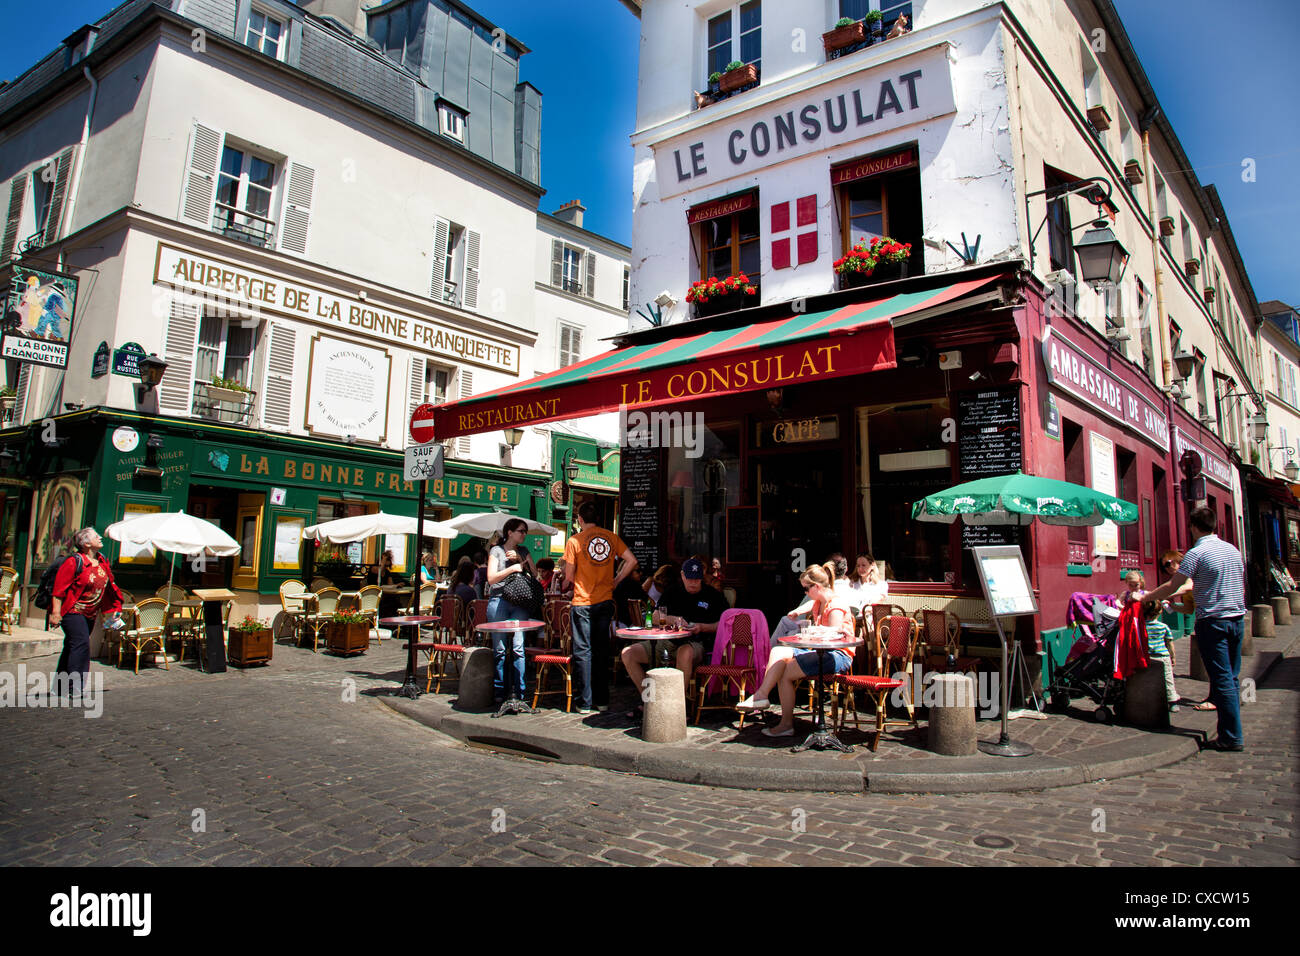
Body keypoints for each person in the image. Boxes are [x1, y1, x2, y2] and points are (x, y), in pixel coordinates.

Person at [1143, 507, 1246, 751]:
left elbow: (1172, 585)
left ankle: (1231, 736)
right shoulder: (1233, 550)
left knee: (1221, 679)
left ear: (1193, 527)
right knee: (1231, 677)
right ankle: (1231, 729)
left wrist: (1145, 597)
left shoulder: (1196, 553)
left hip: (1213, 621)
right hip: (1237, 619)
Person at [736, 562, 855, 737]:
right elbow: (808, 606)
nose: (805, 593)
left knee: (785, 673)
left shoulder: (835, 606)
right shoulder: (819, 601)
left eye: (806, 589)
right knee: (778, 651)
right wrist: (796, 612)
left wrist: (810, 633)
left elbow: (834, 636)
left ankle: (783, 721)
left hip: (837, 655)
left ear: (816, 586)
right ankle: (763, 697)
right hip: (819, 652)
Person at [620, 558, 727, 713]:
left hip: (696, 643)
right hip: (667, 641)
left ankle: (676, 708)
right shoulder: (672, 591)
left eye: (697, 579)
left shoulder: (712, 595)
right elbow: (655, 616)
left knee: (685, 652)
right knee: (628, 653)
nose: (693, 583)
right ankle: (651, 701)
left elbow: (724, 624)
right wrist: (674, 620)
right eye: (690, 579)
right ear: (682, 575)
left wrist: (702, 627)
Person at [563, 501, 637, 714]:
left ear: (580, 519)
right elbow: (631, 560)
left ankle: (584, 702)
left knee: (582, 651)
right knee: (601, 650)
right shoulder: (610, 537)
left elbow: (569, 576)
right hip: (605, 600)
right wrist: (616, 579)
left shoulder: (574, 541)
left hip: (582, 602)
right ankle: (602, 700)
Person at [49, 528, 123, 692]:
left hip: (90, 613)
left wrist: (115, 607)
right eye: (96, 536)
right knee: (81, 645)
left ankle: (59, 686)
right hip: (72, 612)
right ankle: (74, 687)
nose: (100, 538)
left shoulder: (102, 560)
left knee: (71, 646)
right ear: (87, 543)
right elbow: (59, 590)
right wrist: (55, 613)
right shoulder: (74, 562)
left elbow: (109, 587)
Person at [485, 518, 535, 704]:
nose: (524, 534)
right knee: (499, 648)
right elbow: (491, 578)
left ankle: (519, 693)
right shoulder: (496, 551)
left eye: (525, 532)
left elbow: (535, 574)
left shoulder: (524, 551)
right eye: (521, 531)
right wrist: (511, 569)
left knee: (518, 647)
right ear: (510, 532)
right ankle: (500, 690)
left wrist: (520, 561)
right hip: (499, 600)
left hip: (520, 602)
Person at [1142, 598, 1186, 713]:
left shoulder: (1141, 627)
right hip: (1162, 656)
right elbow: (1169, 643)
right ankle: (1172, 702)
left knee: (1147, 679)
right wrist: (1173, 657)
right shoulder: (1163, 627)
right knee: (1168, 679)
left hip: (1147, 657)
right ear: (1160, 611)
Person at [850, 552, 889, 631]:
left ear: (872, 565)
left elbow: (877, 604)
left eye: (863, 565)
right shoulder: (852, 583)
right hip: (853, 619)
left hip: (871, 620)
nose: (860, 569)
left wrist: (865, 612)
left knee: (868, 621)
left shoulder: (880, 585)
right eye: (858, 566)